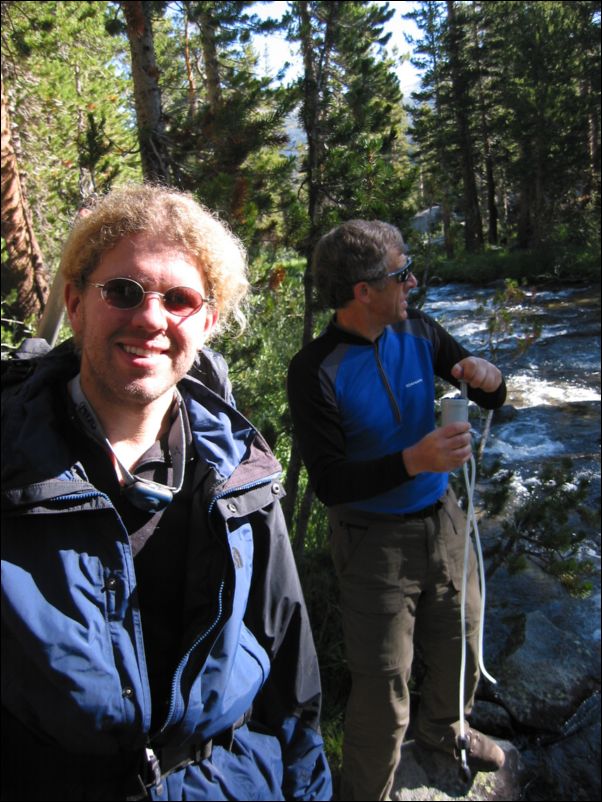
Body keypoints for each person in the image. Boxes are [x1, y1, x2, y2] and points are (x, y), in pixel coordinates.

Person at [1, 184, 332, 802]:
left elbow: (287, 661)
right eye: (123, 291)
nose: (151, 318)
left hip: (225, 782)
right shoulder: (12, 469)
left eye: (178, 299)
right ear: (74, 303)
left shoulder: (238, 472)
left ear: (206, 322)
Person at [287, 220, 507, 801]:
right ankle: (367, 792)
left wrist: (490, 377)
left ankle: (445, 732)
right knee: (384, 683)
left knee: (463, 636)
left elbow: (487, 390)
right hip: (371, 541)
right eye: (401, 272)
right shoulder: (314, 371)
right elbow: (331, 483)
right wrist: (414, 460)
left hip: (445, 520)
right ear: (364, 290)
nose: (411, 282)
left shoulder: (421, 331)